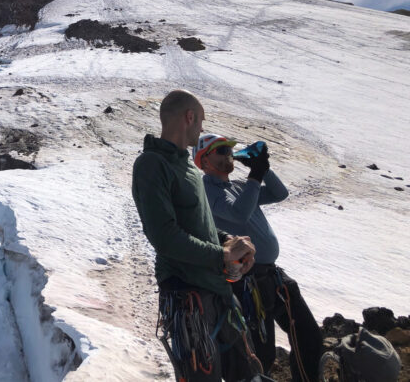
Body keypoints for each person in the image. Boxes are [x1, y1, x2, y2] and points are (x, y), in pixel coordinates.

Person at [132, 90, 263, 382]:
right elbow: (164, 236)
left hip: (215, 293)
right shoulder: (152, 165)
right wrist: (222, 255)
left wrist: (228, 241)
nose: (202, 128)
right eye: (201, 120)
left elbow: (200, 226)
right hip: (188, 298)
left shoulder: (187, 169)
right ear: (189, 117)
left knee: (247, 375)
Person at [194, 133, 323, 382]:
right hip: (245, 280)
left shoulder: (240, 187)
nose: (228, 154)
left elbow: (279, 193)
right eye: (221, 150)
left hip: (269, 274)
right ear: (204, 161)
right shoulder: (207, 192)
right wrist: (255, 175)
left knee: (307, 336)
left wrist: (262, 170)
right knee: (260, 354)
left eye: (229, 150)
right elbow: (239, 214)